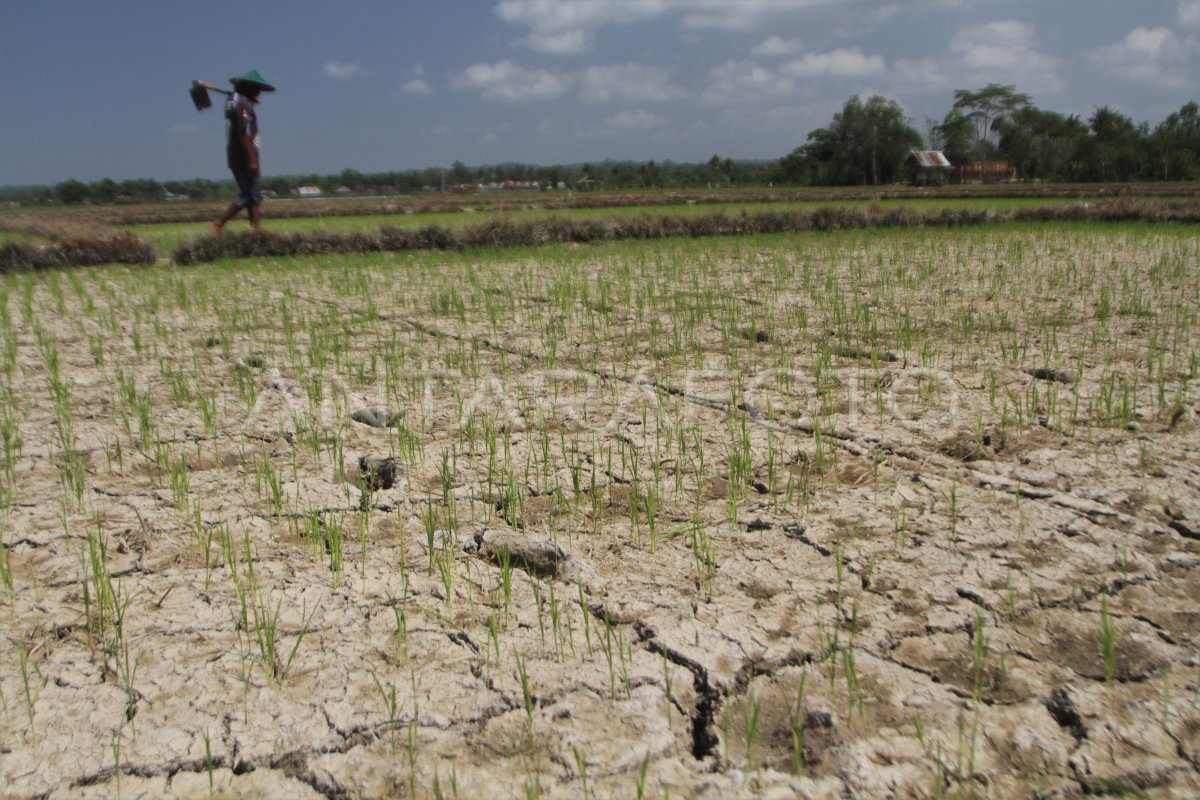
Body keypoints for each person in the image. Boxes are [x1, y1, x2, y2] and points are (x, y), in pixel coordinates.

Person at [212, 69, 275, 234]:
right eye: (256, 89)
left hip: (234, 155)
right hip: (245, 155)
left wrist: (249, 101)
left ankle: (256, 230)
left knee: (253, 196)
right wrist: (252, 159)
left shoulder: (233, 100)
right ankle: (220, 222)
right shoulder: (242, 103)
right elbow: (242, 131)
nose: (259, 93)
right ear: (247, 87)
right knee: (250, 195)